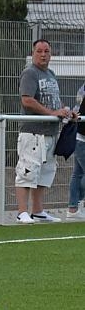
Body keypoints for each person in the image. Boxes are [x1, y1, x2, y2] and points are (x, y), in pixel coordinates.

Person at [15, 39, 74, 224]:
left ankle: (38, 210)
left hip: (50, 133)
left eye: (46, 51)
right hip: (33, 132)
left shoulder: (51, 74)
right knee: (27, 170)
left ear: (51, 54)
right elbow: (27, 100)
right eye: (39, 51)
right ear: (33, 53)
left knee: (45, 172)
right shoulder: (30, 73)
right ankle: (22, 211)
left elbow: (54, 101)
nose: (43, 54)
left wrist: (65, 111)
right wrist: (51, 113)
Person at [66, 83, 85, 219]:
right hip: (81, 139)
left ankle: (73, 209)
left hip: (80, 138)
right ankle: (75, 206)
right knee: (78, 174)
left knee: (78, 173)